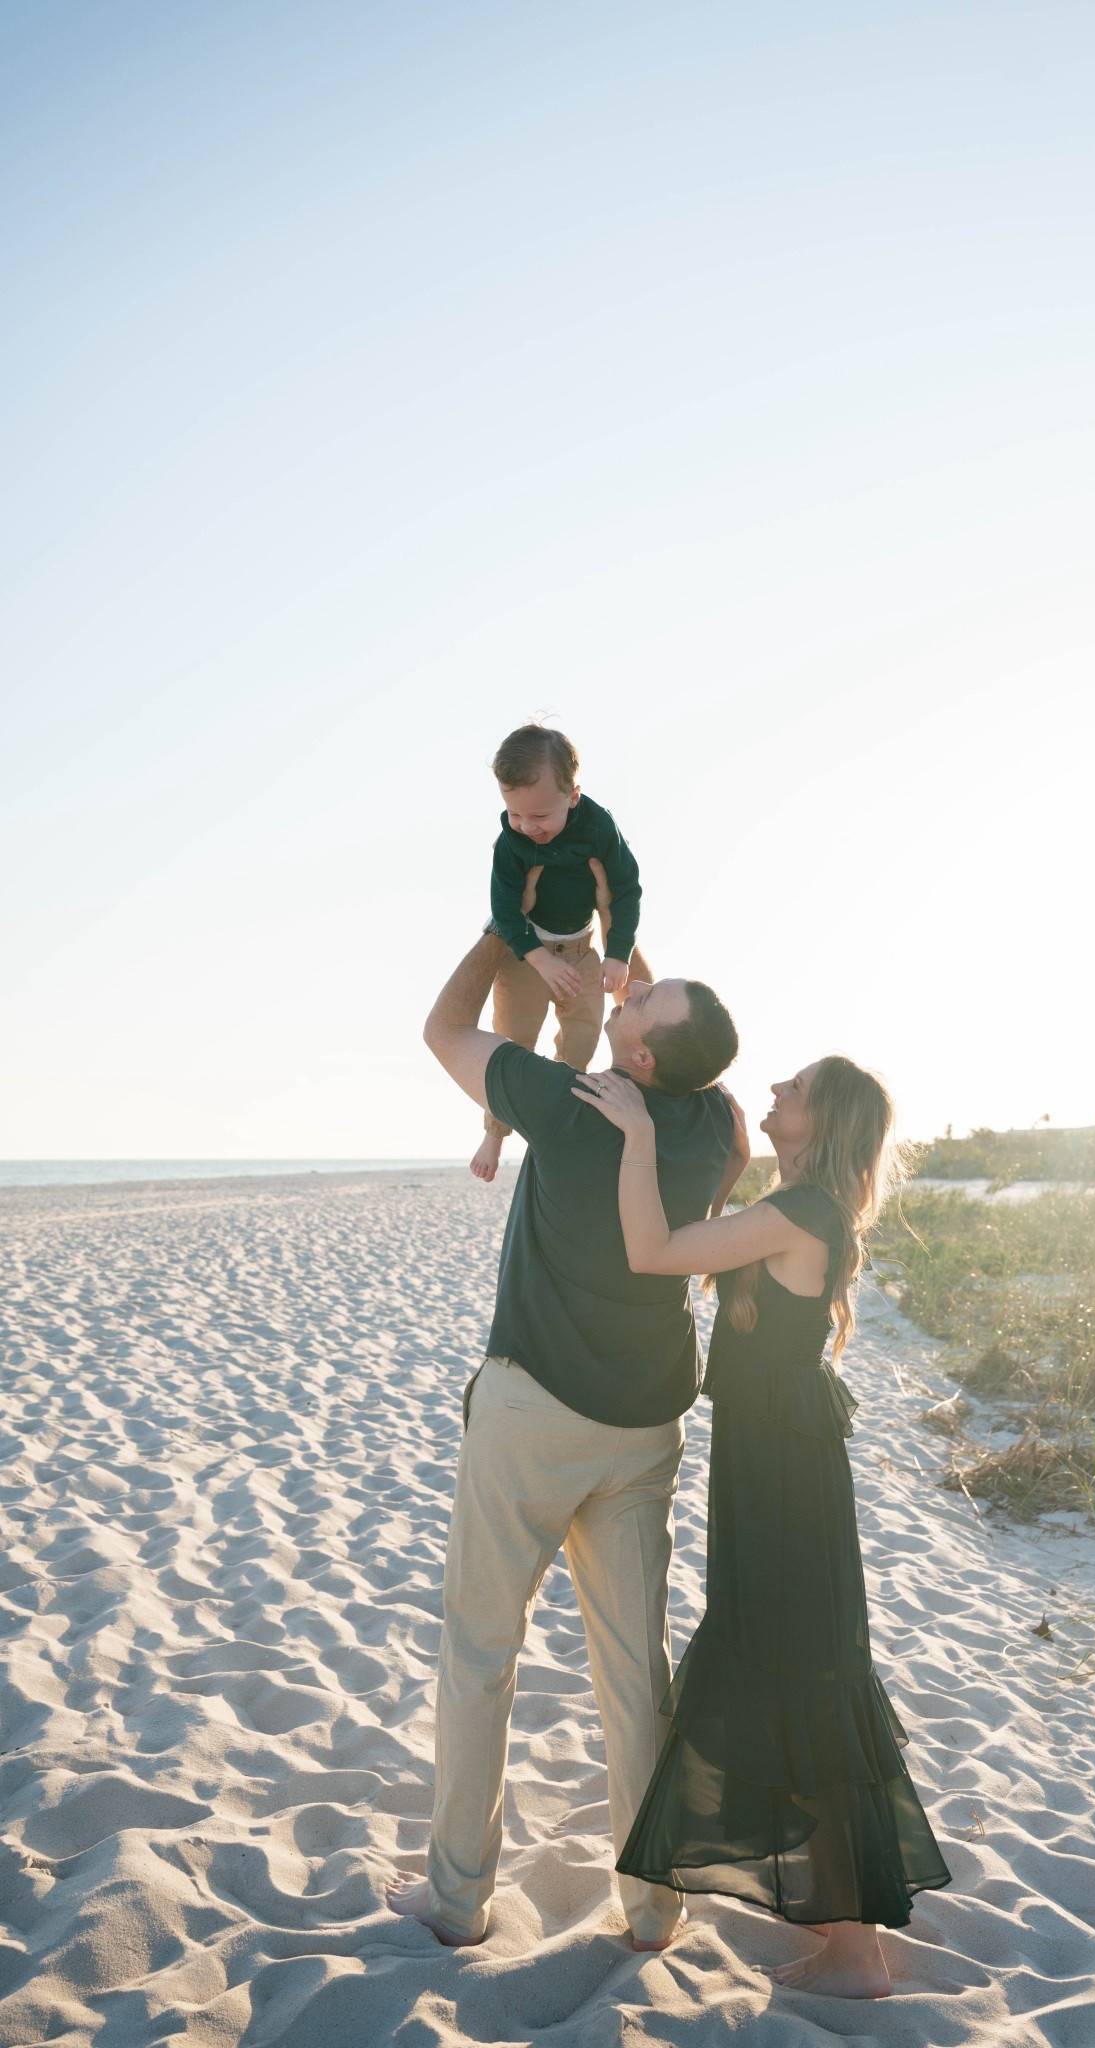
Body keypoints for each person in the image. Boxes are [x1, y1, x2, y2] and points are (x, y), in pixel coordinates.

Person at [387, 929, 746, 1951]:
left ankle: (459, 1895)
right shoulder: (717, 1118)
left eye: (639, 1003)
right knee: (635, 1672)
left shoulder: (568, 1102)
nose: (626, 996)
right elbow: (689, 1057)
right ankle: (652, 1906)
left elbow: (443, 1029)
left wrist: (504, 929)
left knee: (479, 1650)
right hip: (643, 1428)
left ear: (638, 1058)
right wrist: (618, 971)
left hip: (535, 1413)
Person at [573, 1055, 952, 1999]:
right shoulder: (794, 1208)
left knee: (803, 1675)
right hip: (772, 1467)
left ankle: (856, 1951)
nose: (774, 1088)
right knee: (791, 1668)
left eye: (794, 1089)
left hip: (783, 1479)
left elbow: (654, 1252)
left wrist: (638, 1136)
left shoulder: (799, 1214)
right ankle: (838, 1933)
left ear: (820, 1124)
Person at [471, 721, 651, 1185]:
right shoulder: (511, 842)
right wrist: (539, 958)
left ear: (573, 795)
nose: (528, 828)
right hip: (528, 953)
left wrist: (618, 954)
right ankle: (495, 1130)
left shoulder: (598, 826)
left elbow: (626, 890)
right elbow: (505, 910)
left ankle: (555, 1121)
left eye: (540, 816)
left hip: (583, 949)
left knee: (583, 1039)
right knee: (514, 1043)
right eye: (516, 814)